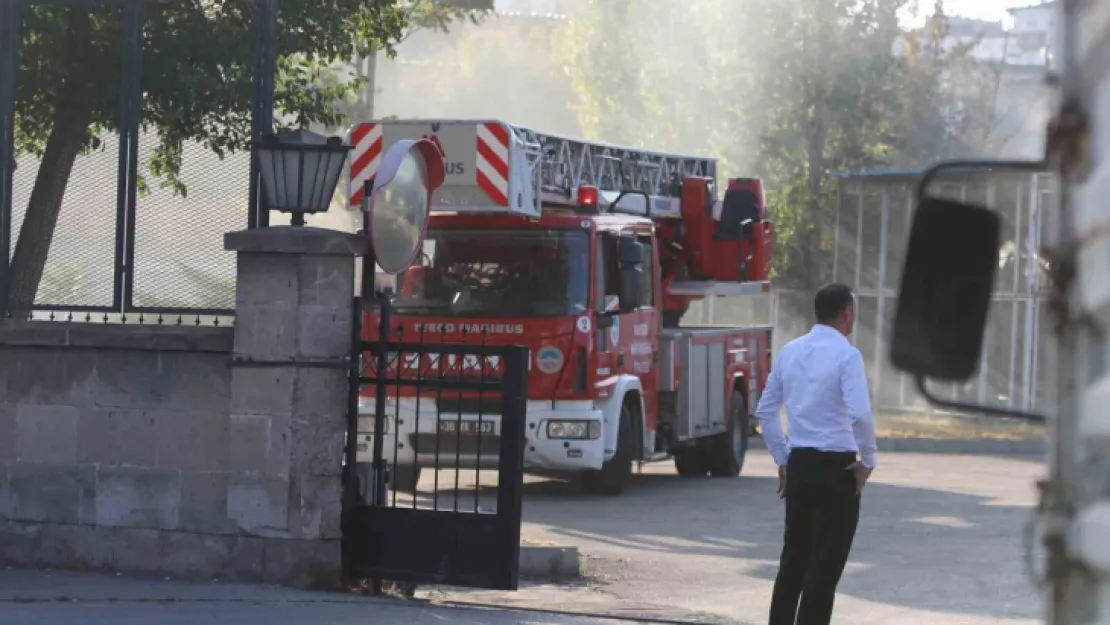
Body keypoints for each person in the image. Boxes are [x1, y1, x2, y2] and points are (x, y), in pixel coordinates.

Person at [754, 283, 878, 625]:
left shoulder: (790, 351)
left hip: (800, 466)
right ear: (846, 314)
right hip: (836, 470)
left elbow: (765, 411)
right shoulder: (847, 355)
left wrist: (783, 459)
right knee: (823, 570)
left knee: (792, 561)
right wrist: (867, 461)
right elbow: (860, 415)